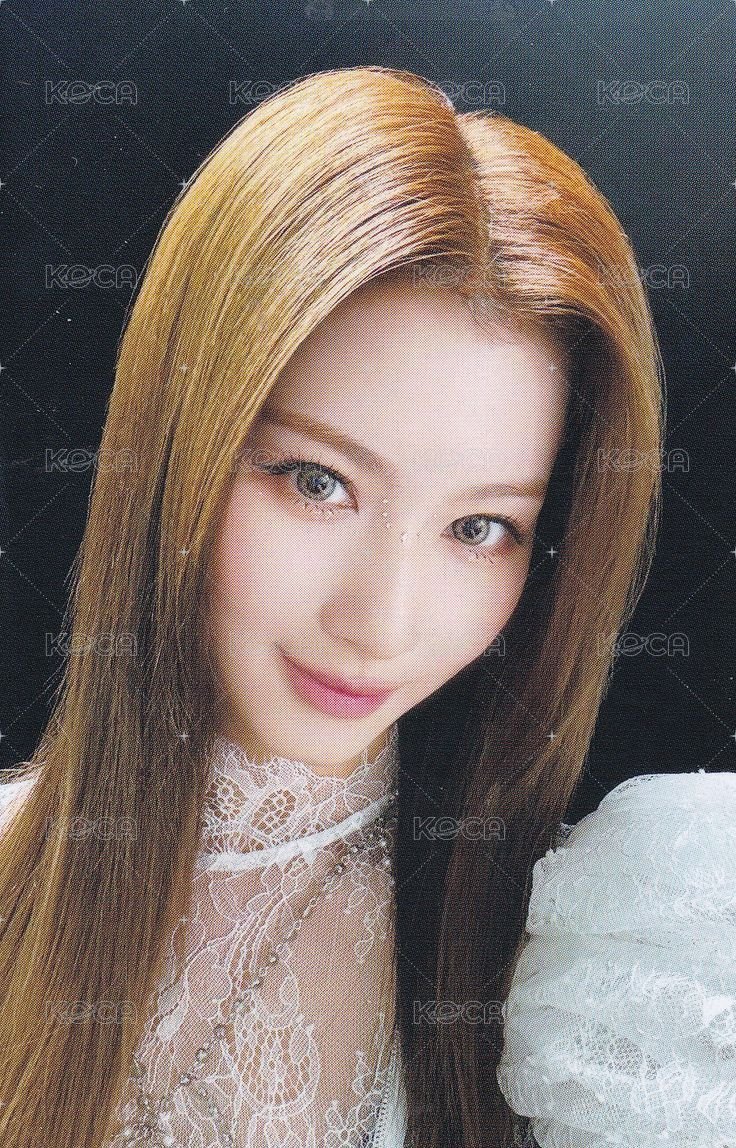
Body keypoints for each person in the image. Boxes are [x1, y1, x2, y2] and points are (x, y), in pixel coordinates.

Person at [0, 65, 670, 1147]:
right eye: (318, 482)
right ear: (181, 439)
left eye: (479, 528)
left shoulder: (593, 967)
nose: (381, 623)